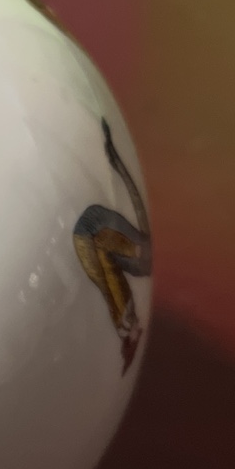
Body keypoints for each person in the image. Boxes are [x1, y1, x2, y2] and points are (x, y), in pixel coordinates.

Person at [73, 119, 153, 374]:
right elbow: (135, 201)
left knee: (104, 280)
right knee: (105, 275)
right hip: (92, 229)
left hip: (89, 232)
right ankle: (128, 329)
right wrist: (115, 158)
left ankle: (127, 330)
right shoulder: (141, 256)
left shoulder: (139, 262)